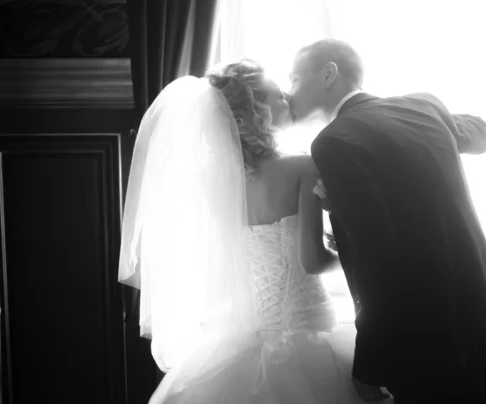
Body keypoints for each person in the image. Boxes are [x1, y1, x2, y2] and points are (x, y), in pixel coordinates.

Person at [118, 59, 394, 404]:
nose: (288, 97)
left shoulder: (210, 179)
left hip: (239, 336)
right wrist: (347, 253)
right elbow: (311, 262)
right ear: (256, 111)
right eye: (278, 94)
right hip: (306, 330)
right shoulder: (302, 166)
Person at [288, 38, 486, 403]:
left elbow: (378, 261)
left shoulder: (333, 141)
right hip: (483, 312)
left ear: (329, 74)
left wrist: (367, 363)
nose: (289, 93)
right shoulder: (423, 106)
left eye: (295, 80)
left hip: (422, 340)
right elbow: (481, 134)